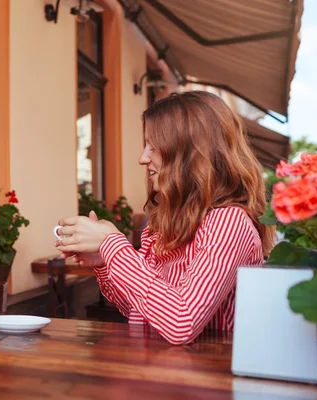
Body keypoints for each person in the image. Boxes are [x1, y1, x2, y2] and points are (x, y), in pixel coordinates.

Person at [55, 91, 274, 345]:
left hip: (209, 376)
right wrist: (103, 261)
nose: (142, 158)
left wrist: (112, 244)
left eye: (154, 146)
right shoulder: (168, 223)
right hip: (162, 371)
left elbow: (180, 322)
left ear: (192, 152)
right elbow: (141, 310)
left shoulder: (228, 223)